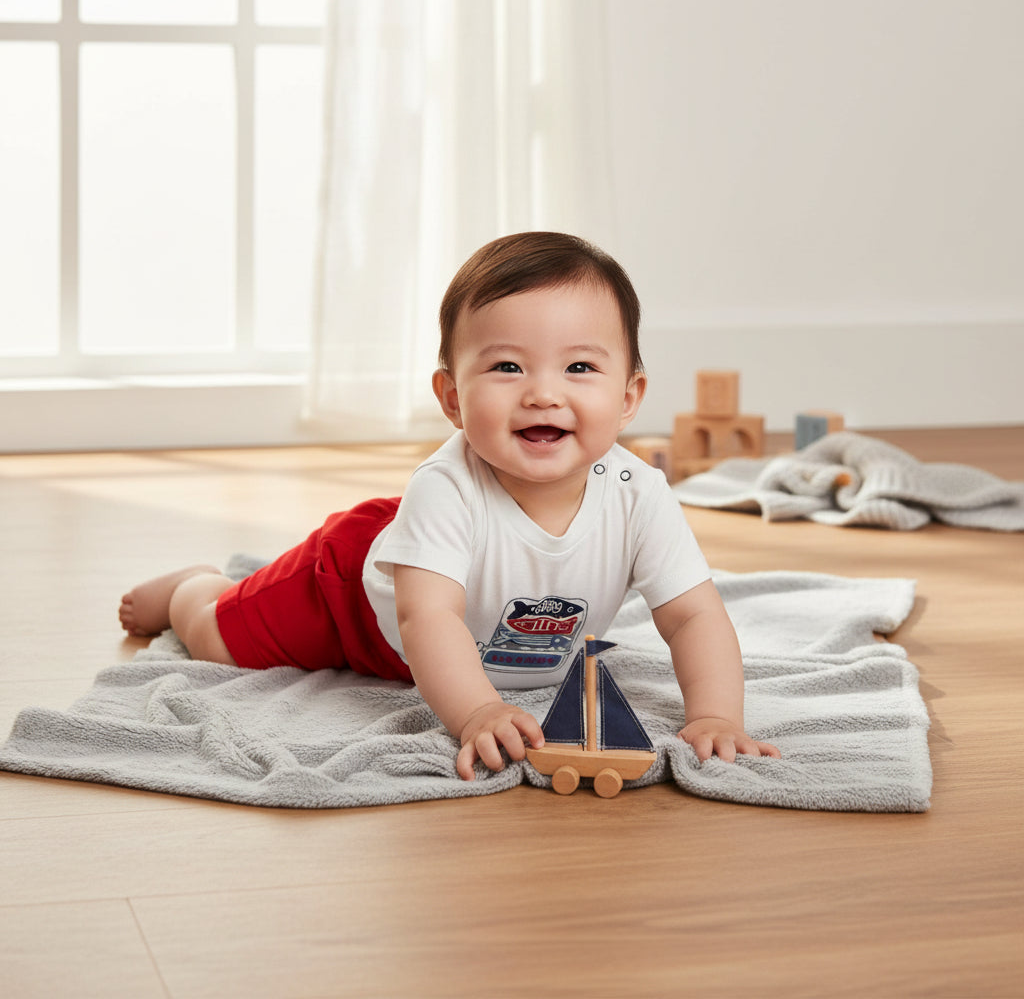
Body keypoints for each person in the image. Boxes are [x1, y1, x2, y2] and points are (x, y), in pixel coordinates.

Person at [120, 231, 780, 780]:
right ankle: (192, 585)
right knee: (215, 639)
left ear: (630, 396)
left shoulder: (639, 495)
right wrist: (477, 713)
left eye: (579, 368)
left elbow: (695, 615)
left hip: (460, 608)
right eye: (507, 368)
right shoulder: (446, 487)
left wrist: (717, 714)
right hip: (352, 592)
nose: (544, 394)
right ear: (452, 397)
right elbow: (428, 615)